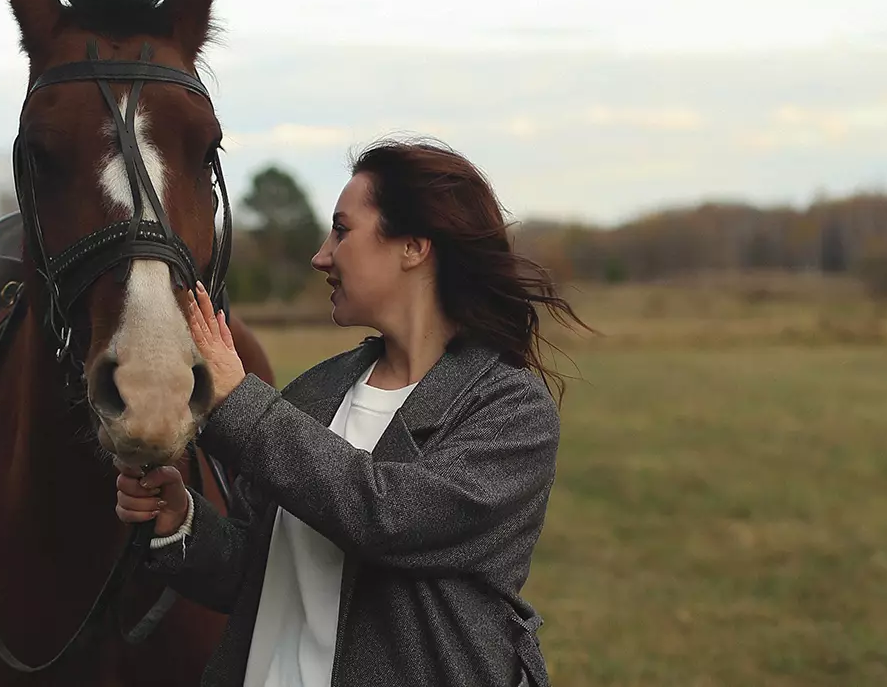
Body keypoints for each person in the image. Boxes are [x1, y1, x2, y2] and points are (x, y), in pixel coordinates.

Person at [114, 137, 587, 687]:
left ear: (413, 246)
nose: (321, 255)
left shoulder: (508, 410)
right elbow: (265, 576)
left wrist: (242, 403)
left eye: (341, 230)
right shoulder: (318, 392)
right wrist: (183, 523)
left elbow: (385, 518)